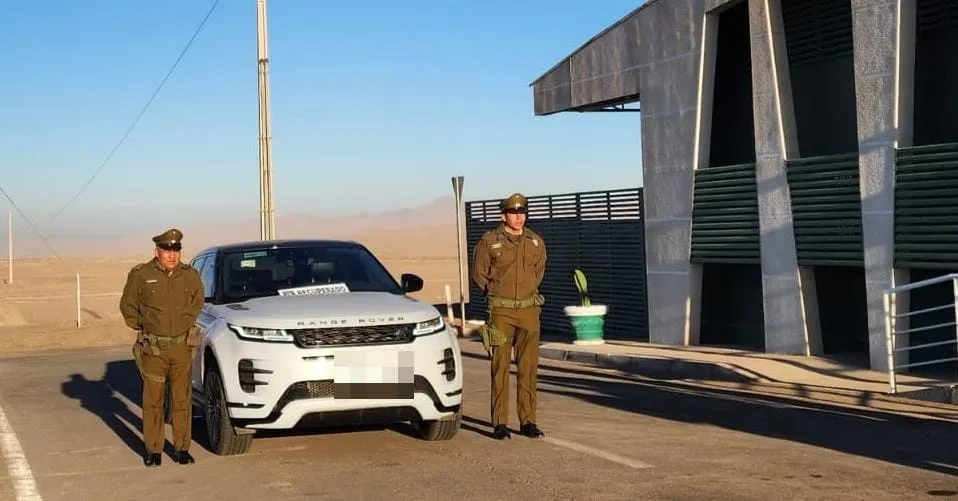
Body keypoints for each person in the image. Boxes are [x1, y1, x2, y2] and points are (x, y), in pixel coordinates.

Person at [119, 228, 204, 467]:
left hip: (181, 348)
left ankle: (181, 448)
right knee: (153, 401)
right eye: (167, 250)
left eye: (175, 250)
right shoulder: (141, 275)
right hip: (153, 349)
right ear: (157, 251)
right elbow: (128, 306)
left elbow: (197, 302)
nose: (171, 255)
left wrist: (183, 324)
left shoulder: (189, 276)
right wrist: (146, 328)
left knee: (181, 400)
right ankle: (153, 450)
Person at [471, 193, 547, 440]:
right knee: (500, 367)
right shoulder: (490, 241)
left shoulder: (535, 242)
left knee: (528, 368)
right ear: (503, 215)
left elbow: (539, 272)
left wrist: (525, 294)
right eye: (514, 213)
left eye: (522, 213)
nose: (518, 217)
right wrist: (495, 294)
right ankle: (500, 423)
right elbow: (479, 273)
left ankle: (528, 421)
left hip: (528, 311)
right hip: (501, 312)